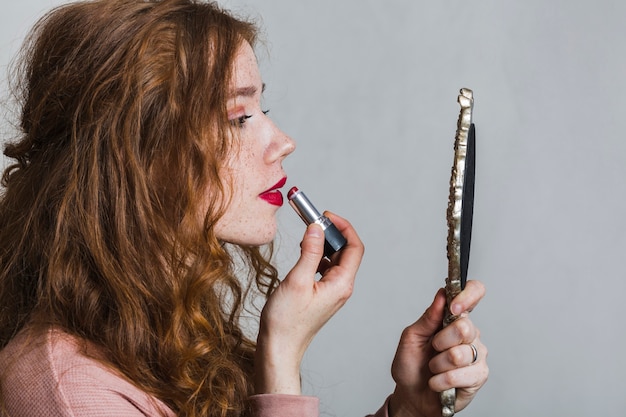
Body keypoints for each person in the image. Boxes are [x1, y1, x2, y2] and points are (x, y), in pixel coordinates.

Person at [0, 0, 488, 416]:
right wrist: (278, 363)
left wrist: (406, 407)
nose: (283, 142)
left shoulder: (161, 327)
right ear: (137, 157)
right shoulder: (70, 393)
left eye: (264, 112)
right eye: (238, 118)